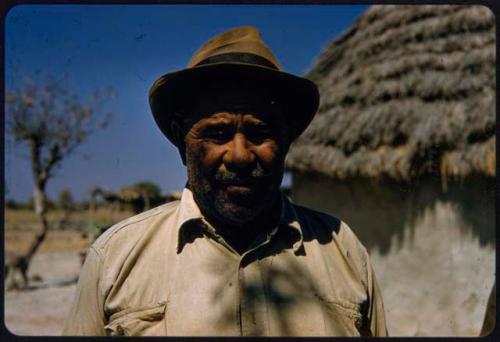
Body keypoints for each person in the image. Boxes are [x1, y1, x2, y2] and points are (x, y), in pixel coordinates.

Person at [63, 26, 387, 337]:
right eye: (217, 133)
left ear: (287, 141)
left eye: (260, 132)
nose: (240, 156)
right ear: (181, 140)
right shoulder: (115, 256)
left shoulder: (343, 250)